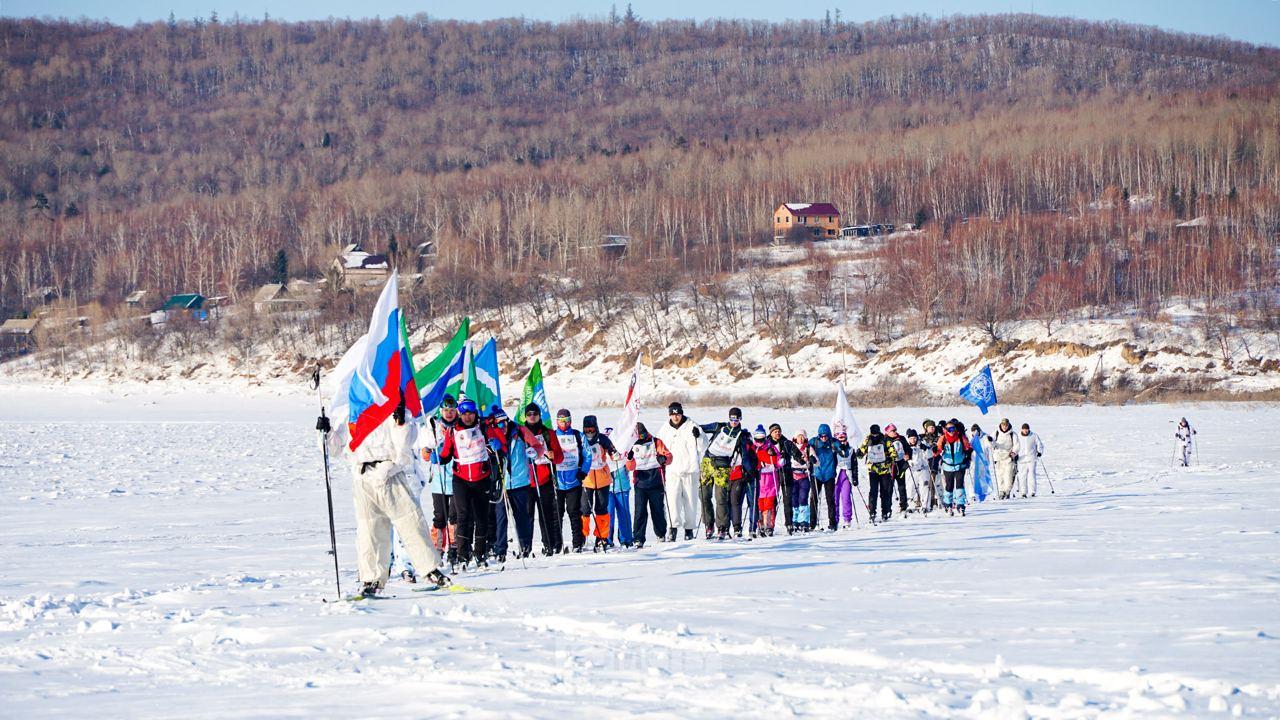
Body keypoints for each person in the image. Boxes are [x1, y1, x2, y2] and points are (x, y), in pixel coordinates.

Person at [331, 391, 451, 597]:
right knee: (369, 531)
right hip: (363, 478)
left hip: (390, 474)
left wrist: (400, 421)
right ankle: (372, 579)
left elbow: (404, 447)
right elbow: (335, 448)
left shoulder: (391, 410)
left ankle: (430, 570)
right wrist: (325, 432)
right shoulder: (351, 414)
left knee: (412, 522)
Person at [436, 399, 505, 569]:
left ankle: (480, 554)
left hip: (481, 478)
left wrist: (497, 444)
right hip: (461, 479)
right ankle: (462, 555)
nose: (468, 417)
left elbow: (501, 444)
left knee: (481, 517)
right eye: (464, 413)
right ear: (460, 413)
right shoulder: (452, 431)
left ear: (475, 413)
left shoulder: (483, 428)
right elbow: (445, 455)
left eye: (471, 413)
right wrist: (438, 456)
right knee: (463, 517)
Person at [699, 407, 754, 540]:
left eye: (737, 419)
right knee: (704, 495)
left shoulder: (742, 435)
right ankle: (709, 525)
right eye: (732, 419)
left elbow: (745, 456)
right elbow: (702, 428)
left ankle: (722, 527)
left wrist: (750, 470)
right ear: (728, 418)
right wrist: (697, 431)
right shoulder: (719, 427)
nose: (734, 421)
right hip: (707, 461)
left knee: (720, 498)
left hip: (723, 467)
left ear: (740, 419)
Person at [517, 403, 565, 555]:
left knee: (546, 515)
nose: (532, 416)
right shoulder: (519, 432)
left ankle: (549, 544)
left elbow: (559, 457)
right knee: (526, 516)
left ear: (539, 415)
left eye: (535, 414)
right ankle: (525, 546)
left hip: (544, 480)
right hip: (525, 480)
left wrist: (553, 456)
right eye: (529, 414)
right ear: (525, 416)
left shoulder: (548, 433)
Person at [656, 402, 703, 541]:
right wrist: (660, 457)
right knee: (673, 501)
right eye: (673, 414)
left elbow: (703, 446)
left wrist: (699, 436)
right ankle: (673, 529)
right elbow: (659, 446)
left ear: (681, 413)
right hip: (672, 471)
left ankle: (689, 530)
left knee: (690, 501)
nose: (675, 417)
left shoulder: (692, 425)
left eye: (677, 414)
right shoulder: (665, 429)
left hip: (690, 470)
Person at [427, 395, 461, 568]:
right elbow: (425, 455)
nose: (449, 413)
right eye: (446, 410)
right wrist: (429, 451)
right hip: (439, 481)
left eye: (452, 410)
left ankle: (454, 548)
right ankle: (437, 549)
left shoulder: (460, 428)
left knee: (454, 517)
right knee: (439, 517)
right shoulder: (433, 428)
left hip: (456, 478)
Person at [553, 409, 591, 552]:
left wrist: (583, 471)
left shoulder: (578, 436)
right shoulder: (552, 436)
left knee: (574, 512)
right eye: (562, 421)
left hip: (574, 480)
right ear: (557, 421)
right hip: (557, 481)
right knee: (557, 513)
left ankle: (577, 543)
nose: (564, 423)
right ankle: (557, 544)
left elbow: (588, 455)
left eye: (567, 420)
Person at [626, 422, 669, 549]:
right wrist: (629, 459)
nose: (641, 437)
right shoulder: (632, 445)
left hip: (656, 481)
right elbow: (630, 467)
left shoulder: (656, 442)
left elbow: (668, 456)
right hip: (640, 483)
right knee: (640, 512)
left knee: (658, 510)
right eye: (638, 436)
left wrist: (664, 459)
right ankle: (638, 538)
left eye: (643, 434)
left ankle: (661, 534)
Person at [580, 415, 618, 552]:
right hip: (587, 478)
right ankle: (582, 536)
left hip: (602, 478)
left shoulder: (602, 439)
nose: (589, 432)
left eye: (591, 429)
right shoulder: (581, 438)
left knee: (601, 509)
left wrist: (615, 455)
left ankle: (601, 537)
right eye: (587, 429)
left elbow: (612, 451)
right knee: (584, 509)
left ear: (596, 428)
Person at [484, 406, 514, 564]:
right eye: (501, 424)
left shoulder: (506, 435)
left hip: (501, 480)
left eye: (506, 423)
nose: (504, 427)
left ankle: (500, 547)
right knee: (487, 514)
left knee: (501, 514)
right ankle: (488, 545)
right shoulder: (487, 431)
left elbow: (505, 451)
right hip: (486, 479)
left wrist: (500, 449)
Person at [859, 424, 899, 523]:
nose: (875, 436)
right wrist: (859, 453)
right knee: (873, 492)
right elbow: (862, 450)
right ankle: (872, 512)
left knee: (885, 491)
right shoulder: (868, 440)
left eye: (876, 434)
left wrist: (891, 458)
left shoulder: (886, 440)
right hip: (872, 470)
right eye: (873, 434)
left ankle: (885, 512)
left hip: (884, 470)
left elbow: (893, 453)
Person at [605, 428, 634, 549]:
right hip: (607, 488)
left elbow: (631, 467)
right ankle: (607, 539)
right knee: (608, 514)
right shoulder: (602, 452)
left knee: (624, 513)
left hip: (622, 486)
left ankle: (626, 539)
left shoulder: (622, 450)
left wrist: (630, 458)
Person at [767, 424, 799, 533]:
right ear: (771, 433)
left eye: (779, 431)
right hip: (772, 476)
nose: (778, 433)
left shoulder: (786, 442)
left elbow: (796, 453)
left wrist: (803, 460)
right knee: (772, 501)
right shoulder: (767, 443)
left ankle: (789, 523)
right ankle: (770, 525)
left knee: (787, 500)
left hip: (786, 474)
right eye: (775, 431)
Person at [937, 420, 972, 516]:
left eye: (953, 428)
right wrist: (936, 450)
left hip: (960, 465)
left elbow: (968, 447)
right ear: (946, 430)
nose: (951, 431)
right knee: (949, 486)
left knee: (960, 485)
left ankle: (960, 504)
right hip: (948, 466)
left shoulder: (960, 437)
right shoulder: (943, 438)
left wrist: (968, 457)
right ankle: (948, 504)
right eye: (949, 429)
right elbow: (938, 449)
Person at [809, 424, 839, 531]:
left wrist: (840, 448)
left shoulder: (833, 442)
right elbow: (805, 450)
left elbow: (841, 448)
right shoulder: (814, 442)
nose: (823, 438)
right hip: (816, 474)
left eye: (825, 435)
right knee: (814, 499)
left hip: (829, 474)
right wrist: (810, 457)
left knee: (830, 499)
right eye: (821, 436)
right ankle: (812, 523)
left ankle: (832, 522)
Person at [753, 426, 781, 536]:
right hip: (759, 481)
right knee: (760, 505)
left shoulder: (771, 447)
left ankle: (769, 526)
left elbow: (778, 460)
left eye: (761, 439)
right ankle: (760, 526)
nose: (759, 442)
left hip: (770, 481)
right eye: (757, 440)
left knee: (769, 504)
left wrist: (777, 463)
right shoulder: (753, 448)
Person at [832, 423, 857, 528]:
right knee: (834, 499)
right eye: (840, 439)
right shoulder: (833, 450)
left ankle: (847, 519)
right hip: (835, 476)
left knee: (846, 498)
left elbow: (855, 465)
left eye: (844, 439)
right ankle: (835, 519)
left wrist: (855, 478)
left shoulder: (851, 450)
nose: (842, 441)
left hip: (847, 475)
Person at [885, 424, 912, 514]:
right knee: (889, 488)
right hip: (890, 467)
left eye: (895, 430)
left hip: (901, 465)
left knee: (902, 486)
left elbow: (908, 448)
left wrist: (908, 455)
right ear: (888, 432)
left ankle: (903, 505)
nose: (895, 432)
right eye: (893, 431)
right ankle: (887, 508)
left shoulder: (901, 438)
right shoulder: (884, 440)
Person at [789, 430, 813, 532]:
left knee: (803, 498)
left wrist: (813, 460)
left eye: (803, 437)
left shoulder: (808, 448)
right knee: (794, 499)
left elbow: (815, 460)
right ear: (795, 437)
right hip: (793, 475)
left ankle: (804, 521)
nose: (801, 439)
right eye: (799, 437)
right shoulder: (791, 447)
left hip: (804, 475)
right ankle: (795, 520)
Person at [1014, 422, 1044, 498]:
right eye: (1024, 429)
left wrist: (1039, 452)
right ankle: (1023, 492)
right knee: (1022, 476)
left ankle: (1032, 492)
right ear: (1022, 429)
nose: (1026, 431)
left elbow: (1040, 444)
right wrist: (1015, 454)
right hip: (1021, 459)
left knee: (1032, 475)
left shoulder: (1034, 435)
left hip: (1032, 458)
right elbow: (1015, 446)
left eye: (1027, 429)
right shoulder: (1017, 436)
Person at [904, 429, 930, 510]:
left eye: (914, 438)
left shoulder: (922, 445)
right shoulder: (906, 447)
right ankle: (910, 506)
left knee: (924, 488)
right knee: (910, 488)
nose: (913, 440)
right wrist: (907, 461)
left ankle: (925, 506)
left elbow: (930, 456)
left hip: (922, 470)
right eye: (911, 438)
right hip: (911, 471)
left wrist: (926, 449)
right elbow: (902, 457)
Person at [992, 418, 1017, 500]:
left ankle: (1007, 491)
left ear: (1008, 425)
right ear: (1001, 425)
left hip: (1008, 458)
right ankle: (1001, 491)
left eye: (1006, 425)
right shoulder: (996, 433)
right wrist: (991, 442)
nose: (1004, 427)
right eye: (1003, 425)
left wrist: (1013, 452)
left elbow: (1016, 445)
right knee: (1000, 475)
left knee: (1008, 475)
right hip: (999, 458)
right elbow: (992, 443)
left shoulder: (1013, 434)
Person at [920, 419, 942, 511]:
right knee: (924, 484)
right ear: (926, 428)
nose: (932, 428)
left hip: (936, 462)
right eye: (930, 427)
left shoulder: (938, 437)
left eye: (933, 427)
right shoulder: (921, 437)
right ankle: (922, 501)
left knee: (935, 482)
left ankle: (934, 500)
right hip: (925, 463)